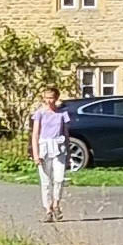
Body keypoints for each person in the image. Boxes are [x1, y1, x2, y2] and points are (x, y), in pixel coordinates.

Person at [30, 85, 73, 222]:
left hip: (59, 148)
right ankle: (47, 209)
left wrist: (69, 153)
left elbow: (66, 134)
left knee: (59, 178)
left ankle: (56, 204)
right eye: (47, 98)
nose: (49, 101)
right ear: (44, 98)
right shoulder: (40, 114)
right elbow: (35, 135)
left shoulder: (62, 114)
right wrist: (35, 154)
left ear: (56, 98)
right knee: (46, 181)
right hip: (44, 148)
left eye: (52, 98)